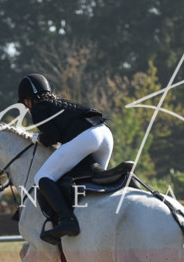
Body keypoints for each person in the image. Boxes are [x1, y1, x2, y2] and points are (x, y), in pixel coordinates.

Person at [18, 73, 113, 244]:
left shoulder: (39, 108)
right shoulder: (59, 103)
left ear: (29, 99)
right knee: (94, 182)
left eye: (25, 103)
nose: (26, 107)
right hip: (105, 133)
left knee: (42, 178)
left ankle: (67, 220)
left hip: (88, 136)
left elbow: (52, 137)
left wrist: (39, 138)